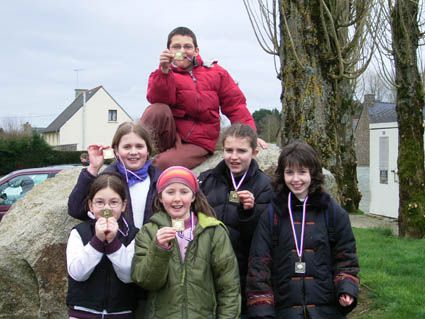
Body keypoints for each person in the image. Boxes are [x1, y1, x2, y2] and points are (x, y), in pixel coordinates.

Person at [246, 141, 360, 319]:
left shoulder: (332, 212)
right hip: (284, 311)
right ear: (282, 174)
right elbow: (259, 267)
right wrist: (262, 310)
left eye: (302, 172)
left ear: (312, 174)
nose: (296, 179)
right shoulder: (271, 214)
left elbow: (346, 257)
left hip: (325, 310)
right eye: (289, 172)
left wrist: (346, 288)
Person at [141, 26, 267, 171]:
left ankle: (152, 171)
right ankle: (136, 148)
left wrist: (250, 137)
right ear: (168, 51)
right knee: (157, 109)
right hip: (170, 134)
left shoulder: (215, 72)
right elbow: (157, 99)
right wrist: (164, 71)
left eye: (187, 46)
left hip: (198, 141)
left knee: (163, 165)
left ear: (196, 50)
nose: (182, 51)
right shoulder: (163, 73)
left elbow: (235, 105)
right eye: (176, 46)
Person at [131, 166, 241, 318]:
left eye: (184, 192)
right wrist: (159, 249)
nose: (177, 199)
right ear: (161, 198)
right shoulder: (149, 232)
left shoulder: (213, 231)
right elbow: (145, 281)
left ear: (193, 196)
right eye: (170, 192)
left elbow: (229, 287)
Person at [198, 123, 273, 316]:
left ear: (254, 152)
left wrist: (249, 213)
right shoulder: (207, 180)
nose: (234, 157)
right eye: (229, 150)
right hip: (208, 268)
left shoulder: (264, 186)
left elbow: (265, 238)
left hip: (243, 271)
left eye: (241, 151)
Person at [66, 172, 138, 319]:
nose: (107, 208)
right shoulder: (79, 233)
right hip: (82, 312)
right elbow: (77, 273)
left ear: (123, 205)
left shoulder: (133, 235)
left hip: (120, 312)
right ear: (90, 205)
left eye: (113, 202)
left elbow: (129, 275)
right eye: (100, 202)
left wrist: (113, 243)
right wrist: (97, 241)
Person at [68, 121, 161, 229]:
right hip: (116, 244)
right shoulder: (108, 179)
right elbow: (76, 210)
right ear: (116, 151)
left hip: (152, 244)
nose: (133, 152)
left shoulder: (160, 180)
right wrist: (93, 168)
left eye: (139, 146)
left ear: (148, 150)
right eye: (127, 147)